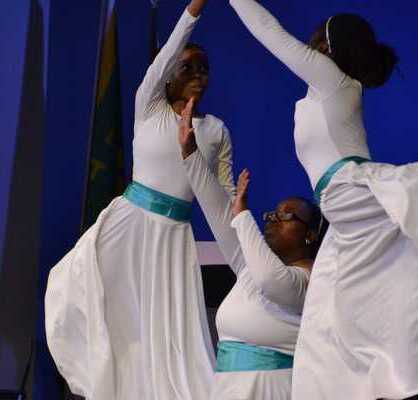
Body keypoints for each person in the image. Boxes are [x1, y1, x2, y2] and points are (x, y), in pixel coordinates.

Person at [228, 0, 418, 398]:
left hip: (351, 189)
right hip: (342, 213)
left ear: (329, 48)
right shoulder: (329, 87)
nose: (310, 45)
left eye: (318, 39)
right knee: (326, 317)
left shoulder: (331, 79)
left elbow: (269, 32)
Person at [44, 1, 236, 399]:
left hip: (172, 238)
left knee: (168, 332)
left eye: (204, 69)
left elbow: (225, 197)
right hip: (129, 225)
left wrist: (248, 240)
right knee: (96, 302)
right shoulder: (149, 108)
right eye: (188, 68)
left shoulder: (215, 130)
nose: (198, 75)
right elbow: (166, 55)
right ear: (168, 78)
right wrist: (192, 12)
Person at [179, 98, 327, 400]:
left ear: (310, 234)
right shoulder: (251, 267)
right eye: (271, 214)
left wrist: (244, 217)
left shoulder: (312, 281)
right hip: (228, 388)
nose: (272, 221)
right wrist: (190, 155)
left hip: (274, 390)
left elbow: (272, 282)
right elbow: (218, 211)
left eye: (285, 216)